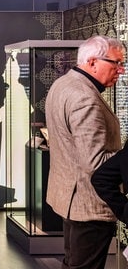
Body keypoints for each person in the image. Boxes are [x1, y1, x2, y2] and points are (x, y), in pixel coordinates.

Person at [45, 35, 125, 268]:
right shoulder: (85, 98)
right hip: (88, 204)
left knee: (73, 263)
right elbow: (96, 162)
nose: (120, 70)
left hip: (69, 198)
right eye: (116, 63)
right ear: (92, 62)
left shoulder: (63, 84)